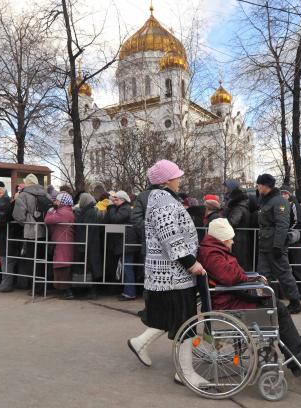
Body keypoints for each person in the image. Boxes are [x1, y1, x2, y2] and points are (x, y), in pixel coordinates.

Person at [198, 218, 301, 377]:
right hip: (229, 304)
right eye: (230, 239)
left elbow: (232, 276)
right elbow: (230, 277)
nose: (232, 242)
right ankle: (297, 355)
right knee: (277, 309)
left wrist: (251, 278)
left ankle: (294, 345)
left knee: (275, 306)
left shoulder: (213, 250)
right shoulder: (213, 253)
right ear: (222, 238)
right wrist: (249, 279)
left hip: (230, 298)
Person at [128, 159, 207, 387]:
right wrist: (191, 263)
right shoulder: (163, 200)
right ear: (166, 181)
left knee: (172, 318)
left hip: (170, 274)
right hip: (173, 274)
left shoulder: (160, 198)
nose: (179, 180)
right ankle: (185, 372)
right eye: (176, 176)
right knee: (185, 322)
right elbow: (169, 236)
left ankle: (139, 343)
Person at [256, 174, 301, 314]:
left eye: (259, 185)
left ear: (265, 186)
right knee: (262, 275)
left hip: (275, 246)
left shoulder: (279, 201)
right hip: (265, 245)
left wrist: (278, 245)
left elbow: (282, 225)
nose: (257, 188)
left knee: (284, 274)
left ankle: (295, 302)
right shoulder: (266, 201)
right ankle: (264, 301)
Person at [12, 174, 52, 290]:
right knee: (43, 259)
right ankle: (44, 285)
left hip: (31, 232)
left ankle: (35, 287)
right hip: (45, 230)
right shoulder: (46, 194)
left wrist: (26, 223)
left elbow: (18, 215)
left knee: (32, 260)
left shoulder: (23, 195)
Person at [105, 190, 139, 300]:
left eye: (116, 199)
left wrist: (110, 207)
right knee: (125, 266)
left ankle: (130, 292)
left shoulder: (125, 208)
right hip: (125, 242)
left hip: (127, 242)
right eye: (113, 199)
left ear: (123, 200)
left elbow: (115, 219)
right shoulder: (123, 208)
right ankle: (127, 291)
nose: (114, 201)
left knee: (127, 267)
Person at [44, 192, 75, 300]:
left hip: (63, 242)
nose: (55, 202)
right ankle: (63, 290)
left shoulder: (63, 212)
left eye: (57, 201)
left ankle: (67, 291)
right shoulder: (67, 210)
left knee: (62, 265)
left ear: (63, 202)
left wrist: (50, 212)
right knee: (61, 264)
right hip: (63, 241)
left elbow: (47, 220)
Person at [281, 188, 301, 300]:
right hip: (285, 240)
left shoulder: (293, 204)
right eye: (281, 193)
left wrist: (287, 231)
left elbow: (298, 222)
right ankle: (289, 292)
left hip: (295, 240)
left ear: (289, 195)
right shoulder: (280, 205)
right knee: (286, 268)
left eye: (285, 193)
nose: (283, 195)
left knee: (298, 267)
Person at [75, 193, 103, 299]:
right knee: (90, 266)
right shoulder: (89, 210)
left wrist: (83, 243)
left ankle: (92, 291)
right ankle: (89, 289)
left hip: (90, 243)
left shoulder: (90, 212)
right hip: (91, 243)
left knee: (91, 267)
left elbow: (87, 229)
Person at [223, 184, 253, 271]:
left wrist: (225, 215)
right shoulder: (244, 207)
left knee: (240, 263)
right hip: (242, 239)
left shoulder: (238, 208)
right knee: (243, 263)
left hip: (238, 240)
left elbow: (232, 223)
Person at [0, 186, 14, 292]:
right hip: (7, 235)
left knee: (5, 260)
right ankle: (6, 284)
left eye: (0, 192)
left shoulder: (2, 205)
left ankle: (5, 285)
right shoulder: (7, 203)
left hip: (5, 235)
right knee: (7, 260)